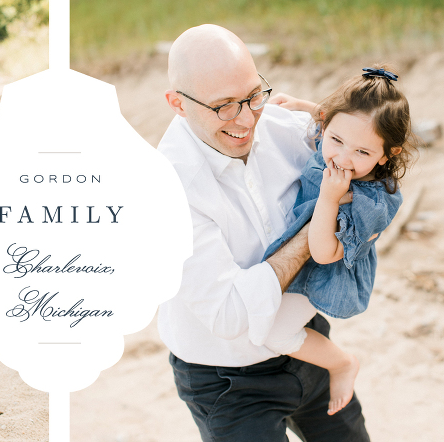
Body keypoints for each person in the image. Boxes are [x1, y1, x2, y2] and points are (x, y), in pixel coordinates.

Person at [157, 24, 370, 441]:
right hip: (226, 381)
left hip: (312, 347)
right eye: (224, 106)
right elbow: (229, 315)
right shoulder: (166, 190)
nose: (246, 118)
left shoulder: (283, 126)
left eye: (253, 95)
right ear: (177, 104)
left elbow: (365, 162)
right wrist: (315, 232)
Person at [261, 66, 416, 415]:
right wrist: (305, 106)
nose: (343, 158)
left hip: (325, 273)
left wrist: (330, 199)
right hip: (301, 255)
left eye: (363, 153)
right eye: (335, 140)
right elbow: (347, 128)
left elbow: (324, 252)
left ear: (387, 154)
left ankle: (341, 363)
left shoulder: (369, 201)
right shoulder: (341, 138)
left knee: (275, 333)